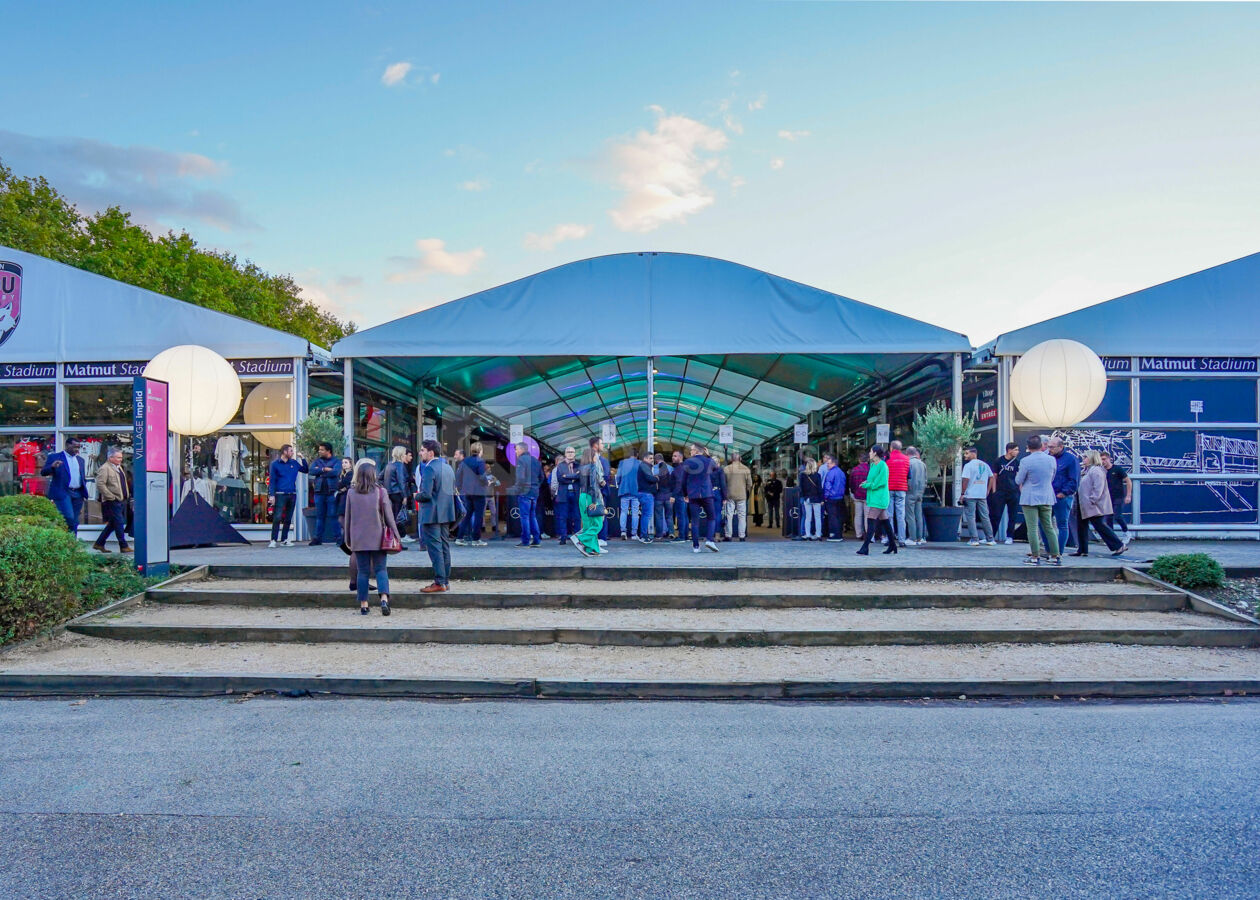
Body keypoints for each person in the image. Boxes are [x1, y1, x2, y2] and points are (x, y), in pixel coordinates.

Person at [342, 458, 401, 615]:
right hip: (378, 537)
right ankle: (383, 599)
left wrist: (347, 538)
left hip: (358, 537)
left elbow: (348, 517)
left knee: (363, 572)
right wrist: (396, 534)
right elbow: (389, 516)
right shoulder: (381, 492)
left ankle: (364, 604)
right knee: (381, 569)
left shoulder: (351, 493)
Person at [1073, 451, 1130, 557]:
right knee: (1081, 526)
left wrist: (1093, 500)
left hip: (1092, 504)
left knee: (1100, 526)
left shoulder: (1096, 471)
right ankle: (1082, 549)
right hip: (1083, 504)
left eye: (1085, 457)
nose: (1083, 459)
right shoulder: (1086, 470)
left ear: (1091, 458)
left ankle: (1119, 545)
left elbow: (1098, 487)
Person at [416, 439, 455, 591]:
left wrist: (415, 496)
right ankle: (445, 581)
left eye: (422, 450)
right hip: (446, 512)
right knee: (444, 546)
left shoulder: (429, 468)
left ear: (430, 452)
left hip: (431, 514)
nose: (420, 453)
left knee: (435, 548)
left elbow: (425, 494)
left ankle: (439, 582)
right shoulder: (448, 468)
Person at [1016, 435, 1061, 566]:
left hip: (1030, 497)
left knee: (1032, 528)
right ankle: (1055, 555)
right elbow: (1052, 477)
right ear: (1042, 445)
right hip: (1047, 495)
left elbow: (1019, 480)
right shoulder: (1051, 460)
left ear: (1028, 447)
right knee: (1049, 527)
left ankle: (1035, 556)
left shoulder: (1025, 461)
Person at [41, 437, 88, 534]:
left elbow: (82, 476)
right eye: (75, 447)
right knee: (69, 517)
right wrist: (52, 467)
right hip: (63, 492)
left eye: (78, 447)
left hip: (78, 493)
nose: (77, 449)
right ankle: (65, 538)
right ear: (67, 445)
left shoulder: (80, 460)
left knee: (75, 520)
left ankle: (72, 544)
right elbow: (43, 472)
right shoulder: (55, 457)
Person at [856, 446, 896, 555]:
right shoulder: (873, 465)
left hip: (879, 497)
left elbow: (881, 482)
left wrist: (868, 485)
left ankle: (865, 547)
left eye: (870, 451)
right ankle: (893, 545)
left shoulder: (883, 466)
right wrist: (867, 483)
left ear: (875, 453)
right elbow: (872, 480)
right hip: (874, 496)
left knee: (870, 520)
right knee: (885, 522)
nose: (869, 453)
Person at [267, 444, 308, 548]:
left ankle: (284, 539)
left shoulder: (294, 463)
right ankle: (273, 539)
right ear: (285, 452)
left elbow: (305, 470)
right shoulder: (275, 464)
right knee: (277, 517)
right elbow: (272, 481)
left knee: (288, 518)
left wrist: (302, 458)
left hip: (292, 493)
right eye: (291, 451)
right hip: (280, 493)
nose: (292, 453)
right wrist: (271, 495)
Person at [92, 447, 131, 553]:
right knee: (119, 522)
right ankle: (123, 546)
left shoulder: (118, 467)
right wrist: (111, 496)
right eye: (118, 457)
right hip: (112, 500)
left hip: (121, 499)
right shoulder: (105, 468)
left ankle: (99, 543)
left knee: (113, 523)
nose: (120, 459)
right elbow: (100, 484)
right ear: (110, 457)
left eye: (121, 457)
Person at [682, 443, 720, 553]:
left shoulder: (688, 462)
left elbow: (683, 480)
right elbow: (716, 469)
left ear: (696, 451)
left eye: (692, 450)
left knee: (694, 521)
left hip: (693, 494)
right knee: (711, 517)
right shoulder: (708, 461)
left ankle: (696, 546)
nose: (690, 451)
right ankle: (709, 540)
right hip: (707, 493)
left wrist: (685, 494)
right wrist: (708, 456)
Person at [572, 446, 606, 557]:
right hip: (590, 497)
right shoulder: (592, 467)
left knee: (588, 524)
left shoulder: (581, 467)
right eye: (595, 454)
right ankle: (580, 538)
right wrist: (595, 501)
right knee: (597, 523)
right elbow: (593, 485)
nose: (597, 456)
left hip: (582, 497)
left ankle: (592, 549)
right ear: (592, 456)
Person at [1048, 436, 1080, 551]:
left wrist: (1064, 493)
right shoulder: (1049, 458)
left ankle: (1058, 551)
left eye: (1052, 447)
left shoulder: (1070, 459)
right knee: (1043, 523)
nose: (1049, 449)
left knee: (1062, 524)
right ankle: (1049, 549)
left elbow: (1074, 479)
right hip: (1049, 496)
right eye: (1048, 447)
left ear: (1061, 447)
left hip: (1062, 497)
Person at [959, 446, 996, 546]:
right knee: (985, 516)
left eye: (967, 453)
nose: (965, 455)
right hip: (982, 495)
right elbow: (991, 477)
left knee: (971, 517)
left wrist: (962, 493)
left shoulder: (968, 466)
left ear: (973, 453)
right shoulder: (984, 464)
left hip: (970, 494)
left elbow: (965, 480)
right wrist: (987, 490)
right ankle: (990, 539)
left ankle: (974, 539)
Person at [456, 442, 490, 547]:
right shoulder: (480, 462)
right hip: (479, 492)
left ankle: (459, 537)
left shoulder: (464, 461)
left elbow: (458, 476)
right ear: (480, 451)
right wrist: (486, 482)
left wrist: (461, 488)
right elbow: (481, 476)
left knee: (467, 515)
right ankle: (476, 539)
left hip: (467, 492)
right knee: (479, 516)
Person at [988, 442, 1022, 545]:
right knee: (996, 515)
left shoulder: (1017, 462)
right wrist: (994, 490)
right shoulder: (999, 461)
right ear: (1009, 450)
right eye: (1015, 449)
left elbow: (1019, 477)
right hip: (1000, 491)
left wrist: (1020, 491)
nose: (1017, 452)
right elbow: (994, 476)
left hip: (1013, 492)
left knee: (1012, 515)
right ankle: (991, 536)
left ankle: (1010, 536)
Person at [307, 442, 340, 546]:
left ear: (328, 451)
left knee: (333, 516)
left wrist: (320, 471)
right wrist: (324, 469)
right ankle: (317, 539)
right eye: (319, 449)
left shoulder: (336, 461)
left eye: (321, 450)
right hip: (319, 492)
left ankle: (338, 538)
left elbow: (336, 472)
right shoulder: (317, 461)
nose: (319, 451)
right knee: (319, 516)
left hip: (331, 492)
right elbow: (311, 471)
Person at [511, 443, 543, 548]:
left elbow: (520, 478)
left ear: (521, 450)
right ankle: (537, 540)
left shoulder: (521, 460)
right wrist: (535, 486)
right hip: (534, 492)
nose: (515, 452)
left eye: (516, 450)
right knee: (532, 516)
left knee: (524, 517)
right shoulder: (535, 461)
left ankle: (525, 541)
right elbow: (541, 477)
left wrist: (517, 489)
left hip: (525, 492)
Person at [384, 446, 414, 546]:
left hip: (389, 494)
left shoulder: (389, 465)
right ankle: (396, 541)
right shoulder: (400, 465)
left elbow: (380, 477)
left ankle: (393, 540)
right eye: (405, 453)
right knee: (398, 518)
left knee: (392, 517)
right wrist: (405, 496)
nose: (405, 455)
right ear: (401, 454)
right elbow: (401, 481)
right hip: (398, 494)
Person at [552, 447, 581, 545]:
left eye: (572, 452)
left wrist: (566, 476)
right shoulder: (560, 465)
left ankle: (577, 538)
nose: (570, 454)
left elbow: (579, 477)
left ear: (575, 454)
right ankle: (563, 537)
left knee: (577, 516)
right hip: (563, 494)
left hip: (576, 493)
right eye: (568, 452)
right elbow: (560, 478)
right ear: (565, 454)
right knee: (563, 517)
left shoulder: (578, 465)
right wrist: (573, 478)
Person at [723, 451, 753, 542]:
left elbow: (723, 483)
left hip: (730, 495)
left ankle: (728, 535)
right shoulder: (746, 469)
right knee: (742, 516)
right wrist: (746, 492)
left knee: (729, 515)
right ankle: (742, 536)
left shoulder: (726, 469)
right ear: (740, 459)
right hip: (742, 495)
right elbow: (750, 484)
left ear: (731, 459)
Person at [1100, 451, 1132, 535]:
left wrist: (1128, 495)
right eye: (1101, 460)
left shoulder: (1117, 469)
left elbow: (1128, 481)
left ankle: (1126, 532)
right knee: (1108, 518)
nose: (1103, 461)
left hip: (1118, 496)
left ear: (1109, 459)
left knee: (1117, 516)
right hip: (1107, 497)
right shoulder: (1101, 471)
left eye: (1104, 459)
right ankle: (1112, 537)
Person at [886, 440, 910, 548]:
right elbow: (909, 475)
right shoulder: (906, 459)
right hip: (901, 488)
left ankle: (890, 539)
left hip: (889, 488)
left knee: (889, 515)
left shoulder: (887, 458)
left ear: (891, 448)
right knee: (901, 515)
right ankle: (902, 540)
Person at [616, 451, 642, 541]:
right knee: (635, 513)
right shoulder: (640, 463)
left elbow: (618, 477)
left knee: (623, 512)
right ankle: (634, 534)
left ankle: (623, 532)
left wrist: (620, 484)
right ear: (637, 455)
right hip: (636, 491)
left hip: (624, 490)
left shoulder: (622, 463)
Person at [821, 453, 846, 542]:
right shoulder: (841, 472)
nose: (827, 465)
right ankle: (839, 534)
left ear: (833, 463)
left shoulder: (830, 473)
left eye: (829, 463)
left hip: (831, 498)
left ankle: (834, 535)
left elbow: (827, 486)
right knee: (839, 516)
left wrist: (825, 497)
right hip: (840, 497)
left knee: (832, 517)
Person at [906, 447, 927, 546]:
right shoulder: (923, 464)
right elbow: (926, 479)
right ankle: (920, 538)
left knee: (910, 516)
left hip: (910, 492)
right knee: (919, 516)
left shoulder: (908, 463)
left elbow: (908, 478)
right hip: (920, 492)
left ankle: (912, 538)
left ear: (907, 453)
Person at [798, 459, 823, 541]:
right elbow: (820, 488)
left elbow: (801, 488)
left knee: (808, 517)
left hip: (807, 498)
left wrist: (804, 497)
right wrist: (821, 498)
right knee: (818, 517)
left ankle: (808, 534)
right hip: (816, 498)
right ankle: (818, 534)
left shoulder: (802, 475)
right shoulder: (817, 475)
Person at [635, 450, 657, 541]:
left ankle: (643, 535)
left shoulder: (644, 466)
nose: (652, 460)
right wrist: (656, 478)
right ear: (645, 458)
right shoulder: (644, 466)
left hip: (644, 493)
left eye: (653, 458)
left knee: (645, 515)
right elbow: (649, 478)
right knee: (647, 515)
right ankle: (643, 536)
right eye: (650, 458)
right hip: (646, 494)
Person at [669, 449, 690, 543]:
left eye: (675, 456)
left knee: (681, 516)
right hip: (684, 495)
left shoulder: (679, 469)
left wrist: (673, 495)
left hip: (679, 495)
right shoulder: (685, 467)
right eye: (673, 456)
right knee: (684, 516)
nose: (673, 457)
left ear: (680, 457)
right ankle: (685, 536)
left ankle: (682, 536)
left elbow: (679, 483)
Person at [848, 455, 869, 541]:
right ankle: (869, 534)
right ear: (867, 460)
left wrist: (853, 492)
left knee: (858, 515)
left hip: (857, 495)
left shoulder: (854, 470)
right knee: (867, 516)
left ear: (859, 460)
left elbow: (851, 483)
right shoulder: (870, 469)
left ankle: (858, 534)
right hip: (868, 495)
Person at [652, 452, 673, 540]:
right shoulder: (671, 468)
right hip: (669, 495)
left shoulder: (654, 468)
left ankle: (659, 535)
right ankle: (671, 533)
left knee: (659, 516)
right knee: (669, 516)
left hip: (658, 496)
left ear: (656, 460)